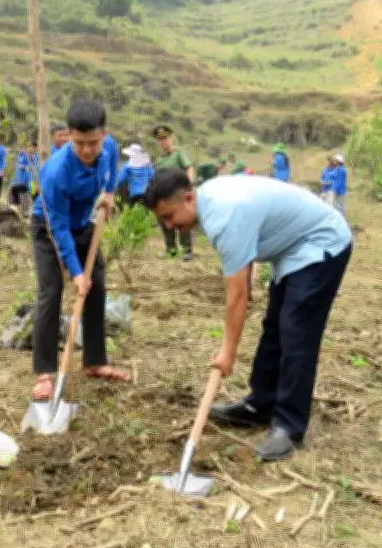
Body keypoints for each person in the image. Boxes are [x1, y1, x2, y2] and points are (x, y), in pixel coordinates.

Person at [142, 170, 352, 460]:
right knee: (275, 328)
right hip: (292, 250)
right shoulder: (209, 201)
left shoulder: (225, 216)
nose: (169, 226)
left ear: (189, 198)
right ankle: (260, 405)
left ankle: (289, 426)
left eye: (169, 216)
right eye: (162, 221)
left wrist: (227, 353)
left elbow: (239, 295)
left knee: (297, 332)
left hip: (322, 242)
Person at [30, 100, 130, 400]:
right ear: (69, 136)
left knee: (97, 286)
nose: (87, 150)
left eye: (93, 143)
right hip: (49, 227)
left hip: (83, 223)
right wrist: (75, 273)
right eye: (79, 143)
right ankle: (45, 373)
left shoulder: (109, 146)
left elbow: (112, 164)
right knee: (51, 291)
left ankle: (95, 362)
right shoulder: (56, 173)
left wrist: (109, 193)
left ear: (104, 135)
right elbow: (58, 228)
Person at [153, 125, 194, 261]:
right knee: (165, 222)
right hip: (164, 195)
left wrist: (188, 185)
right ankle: (171, 250)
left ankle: (186, 250)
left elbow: (189, 168)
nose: (163, 141)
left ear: (171, 138)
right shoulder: (159, 159)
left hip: (178, 194)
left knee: (182, 221)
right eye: (160, 139)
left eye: (165, 138)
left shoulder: (179, 154)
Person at [9, 141, 38, 208]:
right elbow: (19, 165)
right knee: (14, 190)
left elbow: (36, 167)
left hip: (32, 182)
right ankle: (16, 208)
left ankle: (34, 211)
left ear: (36, 148)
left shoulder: (37, 157)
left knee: (35, 196)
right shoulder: (22, 155)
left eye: (32, 147)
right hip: (21, 181)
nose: (30, 149)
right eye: (29, 147)